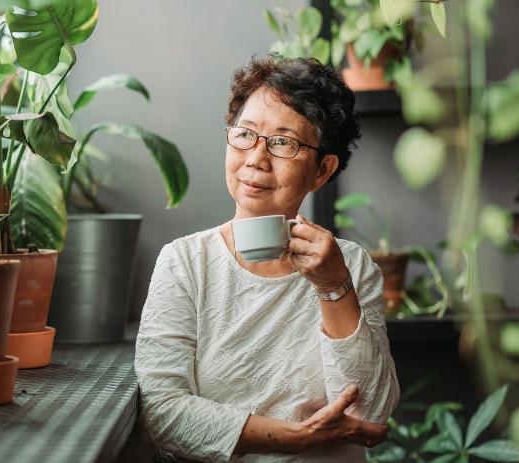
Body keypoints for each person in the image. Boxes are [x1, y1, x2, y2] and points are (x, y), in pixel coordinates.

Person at [134, 55, 400, 462]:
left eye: (282, 142)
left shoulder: (350, 267)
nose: (256, 157)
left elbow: (372, 414)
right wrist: (296, 438)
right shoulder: (185, 262)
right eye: (245, 134)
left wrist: (334, 289)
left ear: (321, 171)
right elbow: (161, 412)